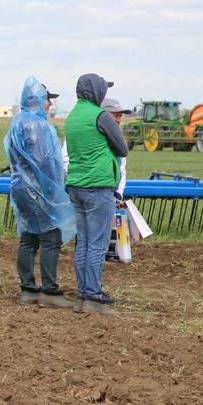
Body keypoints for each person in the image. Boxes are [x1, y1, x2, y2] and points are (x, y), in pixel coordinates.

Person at [4, 77, 76, 308]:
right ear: (38, 100)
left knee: (28, 237)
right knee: (50, 238)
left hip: (20, 187)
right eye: (48, 100)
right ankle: (49, 291)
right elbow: (45, 162)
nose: (50, 105)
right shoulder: (39, 126)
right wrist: (53, 189)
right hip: (39, 189)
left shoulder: (17, 122)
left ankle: (27, 289)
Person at [65, 73, 129, 316]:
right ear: (95, 92)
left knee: (83, 241)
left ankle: (83, 293)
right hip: (98, 186)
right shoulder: (100, 116)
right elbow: (122, 148)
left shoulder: (72, 117)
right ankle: (92, 295)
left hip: (76, 186)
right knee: (97, 243)